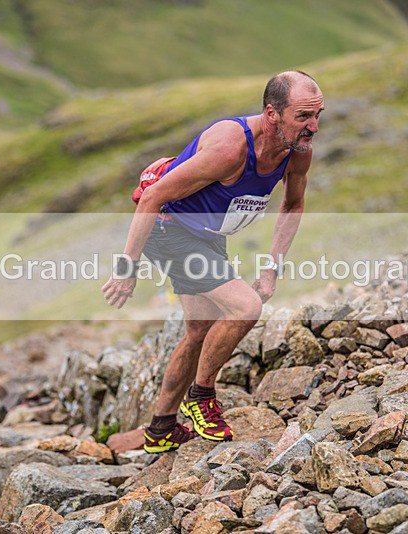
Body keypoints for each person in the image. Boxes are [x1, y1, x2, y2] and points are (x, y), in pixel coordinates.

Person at [102, 70, 324, 453]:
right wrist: (127, 269)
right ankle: (201, 396)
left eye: (318, 114)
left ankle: (161, 428)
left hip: (207, 238)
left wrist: (271, 268)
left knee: (200, 330)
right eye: (303, 116)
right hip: (167, 230)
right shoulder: (229, 148)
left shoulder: (296, 150)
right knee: (245, 306)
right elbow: (152, 198)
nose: (314, 126)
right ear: (272, 114)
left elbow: (292, 204)